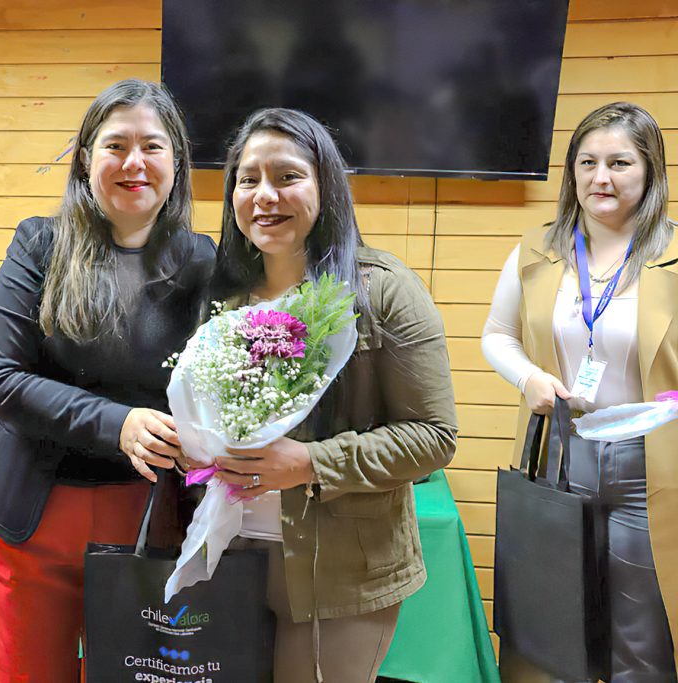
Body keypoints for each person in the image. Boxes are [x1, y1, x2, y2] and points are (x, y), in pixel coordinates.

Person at [0, 78, 215, 682]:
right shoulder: (39, 244)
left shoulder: (203, 261)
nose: (134, 162)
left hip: (145, 510)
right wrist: (118, 424)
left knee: (131, 672)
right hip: (32, 505)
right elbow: (1, 379)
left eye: (152, 146)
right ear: (87, 159)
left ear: (177, 162)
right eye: (116, 145)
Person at [208, 108, 457, 682]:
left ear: (326, 186)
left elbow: (433, 437)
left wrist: (311, 463)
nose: (264, 195)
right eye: (248, 179)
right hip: (226, 556)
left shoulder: (382, 290)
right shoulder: (220, 294)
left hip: (340, 572)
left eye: (287, 177)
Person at [482, 101, 678, 682]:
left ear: (650, 170)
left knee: (641, 640)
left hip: (650, 463)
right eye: (587, 162)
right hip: (560, 454)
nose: (601, 177)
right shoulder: (537, 250)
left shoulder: (672, 254)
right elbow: (497, 336)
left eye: (620, 163)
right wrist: (528, 377)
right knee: (551, 628)